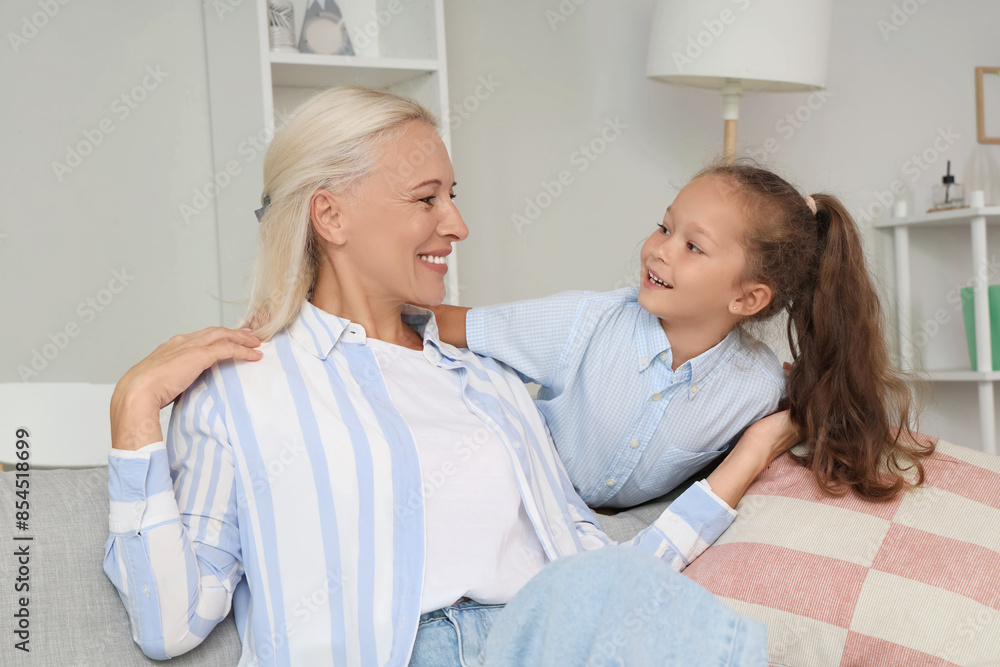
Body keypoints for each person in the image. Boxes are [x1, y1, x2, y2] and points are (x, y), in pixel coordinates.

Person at [103, 85, 799, 666]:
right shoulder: (241, 385)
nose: (458, 223)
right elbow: (170, 624)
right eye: (426, 198)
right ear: (330, 213)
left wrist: (747, 458)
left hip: (536, 638)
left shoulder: (489, 384)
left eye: (453, 196)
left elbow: (601, 575)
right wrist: (134, 411)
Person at [430, 161, 933, 508]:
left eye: (694, 246)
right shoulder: (585, 322)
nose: (660, 250)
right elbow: (448, 323)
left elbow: (831, 407)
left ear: (748, 299)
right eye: (664, 227)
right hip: (507, 495)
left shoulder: (756, 387)